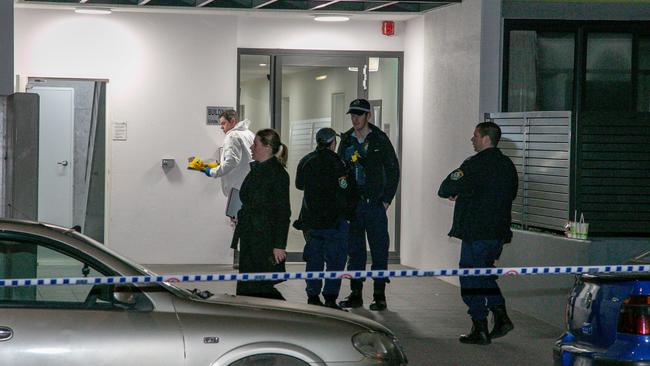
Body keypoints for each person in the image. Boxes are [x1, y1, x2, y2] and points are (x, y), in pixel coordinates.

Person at [437, 121, 519, 345]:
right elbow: (508, 195)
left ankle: (480, 326)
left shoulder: (474, 165)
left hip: (476, 232)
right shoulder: (507, 166)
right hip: (498, 232)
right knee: (484, 274)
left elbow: (445, 188)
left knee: (471, 277)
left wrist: (462, 194)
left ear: (485, 139)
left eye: (475, 136)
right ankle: (500, 316)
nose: (471, 140)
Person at [337, 98, 400, 311]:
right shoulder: (346, 140)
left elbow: (393, 171)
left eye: (359, 115)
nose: (355, 119)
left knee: (379, 250)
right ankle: (356, 293)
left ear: (368, 116)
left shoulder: (380, 139)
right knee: (355, 252)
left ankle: (379, 295)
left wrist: (386, 200)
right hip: (354, 205)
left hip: (374, 204)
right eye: (352, 115)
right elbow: (340, 170)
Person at [294, 127, 356, 310]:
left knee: (314, 260)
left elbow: (299, 185)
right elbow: (345, 189)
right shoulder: (339, 163)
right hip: (334, 222)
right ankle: (330, 298)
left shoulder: (306, 161)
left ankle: (312, 296)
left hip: (312, 221)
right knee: (335, 262)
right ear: (333, 143)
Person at [230, 129, 291, 300]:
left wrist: (279, 245)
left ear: (267, 147)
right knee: (249, 283)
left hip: (264, 238)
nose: (251, 147)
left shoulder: (278, 175)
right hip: (251, 235)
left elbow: (283, 211)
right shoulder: (257, 170)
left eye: (255, 144)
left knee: (260, 285)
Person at [203, 109, 255, 198]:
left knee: (236, 211)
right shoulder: (249, 133)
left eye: (223, 123)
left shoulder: (232, 136)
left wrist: (212, 171)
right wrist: (220, 164)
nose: (221, 127)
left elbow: (232, 161)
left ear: (232, 121)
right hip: (250, 185)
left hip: (238, 188)